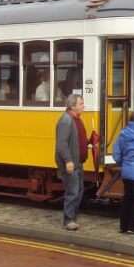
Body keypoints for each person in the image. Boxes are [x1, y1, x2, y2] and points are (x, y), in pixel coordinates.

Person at [55, 94, 88, 231]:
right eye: (80, 104)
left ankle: (73, 217)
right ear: (72, 106)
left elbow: (77, 140)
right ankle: (68, 219)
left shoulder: (76, 119)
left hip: (78, 162)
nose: (83, 106)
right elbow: (61, 144)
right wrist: (68, 160)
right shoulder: (66, 120)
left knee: (78, 191)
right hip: (71, 163)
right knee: (72, 192)